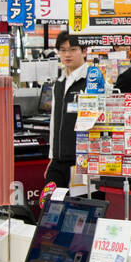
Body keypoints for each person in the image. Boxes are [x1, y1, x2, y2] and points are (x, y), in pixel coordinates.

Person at [47, 31, 90, 188]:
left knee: (79, 209)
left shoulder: (92, 81)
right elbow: (54, 121)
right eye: (63, 50)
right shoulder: (59, 83)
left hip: (81, 161)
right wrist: (52, 157)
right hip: (58, 162)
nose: (67, 54)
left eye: (73, 49)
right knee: (49, 204)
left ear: (84, 51)